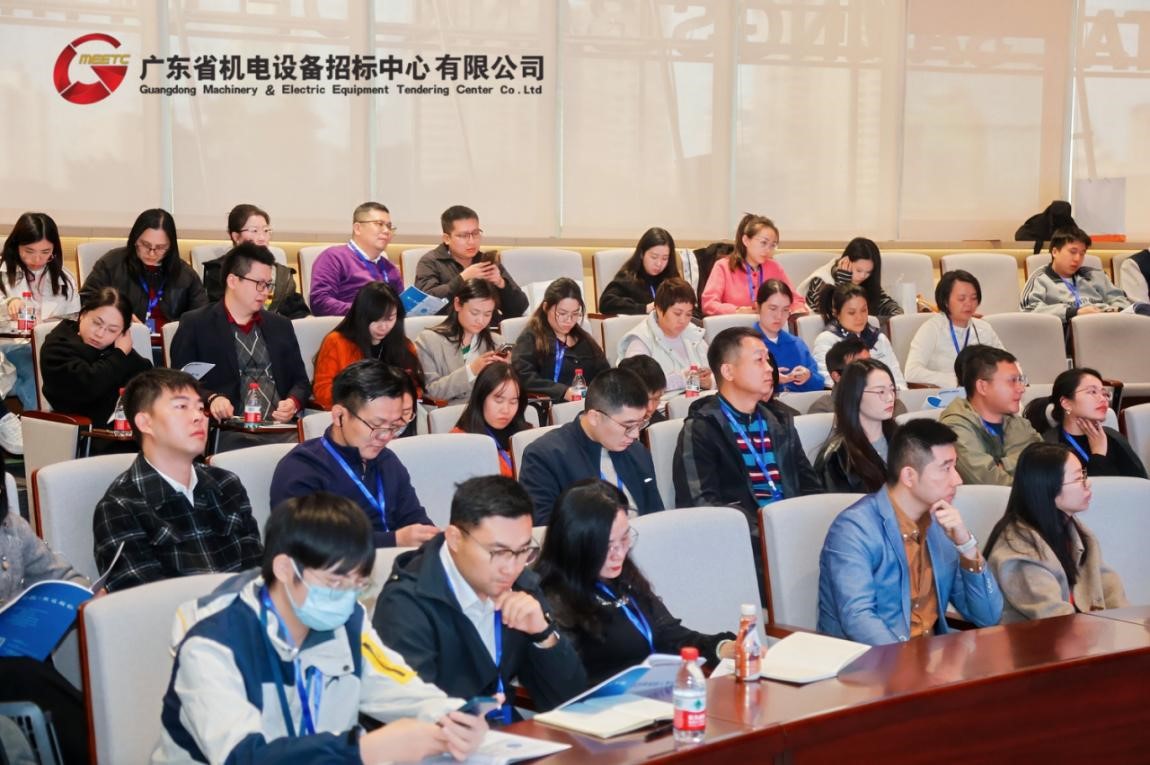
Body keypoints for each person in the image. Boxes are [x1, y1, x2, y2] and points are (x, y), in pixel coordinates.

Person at [154, 492, 487, 763]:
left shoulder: (347, 622)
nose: (346, 596)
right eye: (335, 582)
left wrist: (453, 717)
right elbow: (241, 757)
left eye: (358, 583)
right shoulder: (213, 643)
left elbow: (396, 684)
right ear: (285, 569)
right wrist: (363, 751)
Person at [372, 476, 587, 715]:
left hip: (509, 732)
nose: (511, 567)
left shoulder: (521, 585)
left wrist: (543, 634)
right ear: (455, 539)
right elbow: (409, 714)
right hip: (448, 733)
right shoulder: (405, 605)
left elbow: (570, 702)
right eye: (498, 552)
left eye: (523, 551)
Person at [817, 419, 1003, 645]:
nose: (958, 479)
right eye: (946, 468)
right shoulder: (854, 529)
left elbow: (987, 616)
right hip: (872, 660)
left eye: (955, 467)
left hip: (931, 656)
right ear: (909, 476)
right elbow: (858, 619)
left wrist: (966, 545)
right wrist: (907, 663)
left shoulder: (940, 524)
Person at [535, 480, 737, 685]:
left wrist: (722, 648)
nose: (619, 554)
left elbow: (672, 636)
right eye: (606, 546)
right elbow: (566, 682)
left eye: (624, 539)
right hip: (604, 702)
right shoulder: (552, 599)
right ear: (576, 544)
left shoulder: (624, 578)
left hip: (654, 693)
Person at [673, 327, 822, 596]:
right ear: (728, 371)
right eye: (759, 360)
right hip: (744, 551)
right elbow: (701, 508)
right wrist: (769, 536)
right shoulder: (702, 429)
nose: (769, 368)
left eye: (768, 359)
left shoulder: (779, 422)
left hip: (793, 537)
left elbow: (811, 488)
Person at [92, 368, 263, 592]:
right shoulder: (120, 507)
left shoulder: (227, 484)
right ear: (145, 423)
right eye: (181, 407)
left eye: (200, 408)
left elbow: (257, 575)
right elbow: (145, 600)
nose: (199, 417)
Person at [272, 360, 438, 548]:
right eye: (376, 425)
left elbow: (415, 520)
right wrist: (394, 540)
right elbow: (307, 544)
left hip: (399, 564)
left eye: (394, 426)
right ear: (339, 416)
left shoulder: (388, 460)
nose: (386, 436)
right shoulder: (301, 468)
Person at [0, 452, 93, 765]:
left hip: (17, 652)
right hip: (15, 670)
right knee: (26, 674)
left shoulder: (11, 528)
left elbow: (59, 573)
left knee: (32, 670)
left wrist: (85, 593)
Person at [171, 243, 310, 448]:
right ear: (233, 281)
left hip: (281, 428)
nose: (265, 292)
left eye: (268, 285)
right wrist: (212, 398)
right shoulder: (197, 324)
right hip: (230, 429)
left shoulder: (280, 325)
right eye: (259, 284)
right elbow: (179, 382)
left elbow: (301, 382)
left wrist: (293, 402)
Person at [985, 442, 1127, 622]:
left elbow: (1111, 591)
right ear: (1048, 488)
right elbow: (1055, 619)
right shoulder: (1018, 550)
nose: (1088, 483)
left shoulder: (1079, 534)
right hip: (1044, 638)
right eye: (1078, 478)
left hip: (1083, 633)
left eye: (1084, 474)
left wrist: (1128, 626)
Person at [519, 368, 664, 523]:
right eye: (628, 426)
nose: (635, 434)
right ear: (595, 417)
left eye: (640, 423)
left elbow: (657, 518)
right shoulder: (545, 457)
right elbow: (544, 530)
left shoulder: (637, 452)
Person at [40, 287, 152, 441]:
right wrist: (119, 355)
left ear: (122, 334)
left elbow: (147, 376)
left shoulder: (114, 349)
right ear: (83, 315)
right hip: (85, 435)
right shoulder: (57, 346)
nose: (100, 334)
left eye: (112, 330)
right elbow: (88, 386)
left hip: (125, 433)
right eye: (96, 323)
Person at [0, 212, 81, 410]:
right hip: (11, 346)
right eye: (29, 251)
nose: (37, 259)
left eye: (46, 252)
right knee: (35, 372)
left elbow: (74, 320)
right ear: (16, 246)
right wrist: (8, 304)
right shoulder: (2, 274)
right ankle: (40, 422)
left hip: (51, 348)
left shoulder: (65, 279)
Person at [81, 208, 207, 332]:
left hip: (171, 342)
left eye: (160, 247)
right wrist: (116, 314)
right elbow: (86, 301)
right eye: (146, 245)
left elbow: (202, 317)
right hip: (122, 337)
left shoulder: (185, 274)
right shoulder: (112, 263)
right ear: (135, 239)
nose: (151, 253)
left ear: (171, 246)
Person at [312, 281, 424, 411]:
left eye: (390, 319)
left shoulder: (403, 344)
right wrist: (362, 400)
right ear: (361, 317)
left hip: (397, 413)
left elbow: (415, 386)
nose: (383, 327)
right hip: (355, 413)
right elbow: (322, 391)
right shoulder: (336, 342)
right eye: (376, 320)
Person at [939, 345, 1041, 486]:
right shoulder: (954, 428)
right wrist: (1026, 464)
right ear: (983, 387)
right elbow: (990, 483)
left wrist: (1002, 465)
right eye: (1012, 381)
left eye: (1021, 380)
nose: (1021, 388)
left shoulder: (1016, 422)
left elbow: (1048, 465)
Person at [1023, 368, 1147, 479]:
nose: (1103, 399)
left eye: (1104, 393)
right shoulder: (1049, 448)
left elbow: (1142, 486)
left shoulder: (1113, 437)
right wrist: (1098, 455)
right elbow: (1083, 493)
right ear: (1066, 403)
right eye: (1092, 392)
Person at [414, 205, 528, 323]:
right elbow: (424, 305)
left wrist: (501, 283)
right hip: (448, 329)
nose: (471, 241)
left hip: (488, 328)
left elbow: (519, 309)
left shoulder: (485, 261)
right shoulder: (430, 262)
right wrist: (462, 279)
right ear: (447, 238)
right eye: (463, 236)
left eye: (475, 233)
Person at [201, 203, 310, 319]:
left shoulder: (282, 275)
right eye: (254, 231)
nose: (262, 238)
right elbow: (219, 314)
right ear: (236, 236)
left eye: (266, 231)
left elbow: (299, 315)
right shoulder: (219, 270)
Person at [511, 277, 609, 403]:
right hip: (553, 406)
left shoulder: (584, 339)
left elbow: (605, 374)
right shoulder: (531, 337)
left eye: (575, 314)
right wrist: (562, 391)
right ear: (546, 307)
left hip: (589, 405)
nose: (569, 320)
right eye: (562, 313)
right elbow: (523, 376)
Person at [1020, 226, 1148, 319]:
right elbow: (1028, 310)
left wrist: (1113, 310)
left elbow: (1120, 300)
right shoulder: (1040, 278)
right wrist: (1074, 312)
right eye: (1073, 252)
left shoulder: (1096, 275)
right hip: (1065, 334)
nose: (1077, 258)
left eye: (1082, 253)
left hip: (1105, 327)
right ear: (1054, 252)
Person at [905, 270, 1005, 388]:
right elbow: (911, 372)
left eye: (973, 298)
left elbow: (1006, 364)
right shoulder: (931, 329)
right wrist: (953, 380)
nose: (969, 304)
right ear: (946, 301)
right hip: (944, 395)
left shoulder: (984, 328)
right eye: (962, 299)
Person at [415, 279, 509, 404]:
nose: (480, 320)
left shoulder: (496, 341)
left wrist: (508, 372)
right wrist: (471, 371)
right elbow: (430, 391)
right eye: (474, 313)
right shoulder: (429, 340)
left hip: (488, 410)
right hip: (449, 411)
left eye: (487, 314)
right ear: (457, 304)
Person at [815, 359, 899, 493]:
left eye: (892, 389)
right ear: (855, 394)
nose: (890, 398)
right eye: (880, 392)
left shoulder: (903, 439)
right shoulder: (837, 458)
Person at [618, 278, 712, 393]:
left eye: (688, 314)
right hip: (664, 403)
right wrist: (682, 379)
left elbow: (716, 371)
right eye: (677, 313)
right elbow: (635, 383)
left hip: (701, 400)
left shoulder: (693, 333)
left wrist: (710, 382)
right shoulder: (641, 340)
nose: (683, 320)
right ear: (659, 309)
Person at [309, 202, 403, 316]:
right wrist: (366, 311)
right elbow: (320, 302)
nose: (386, 231)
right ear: (358, 228)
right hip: (349, 323)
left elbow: (401, 306)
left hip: (388, 324)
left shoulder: (391, 269)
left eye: (389, 226)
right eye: (379, 224)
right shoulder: (334, 257)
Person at [701, 214, 805, 316]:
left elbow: (796, 300)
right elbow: (708, 304)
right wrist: (737, 311)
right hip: (735, 325)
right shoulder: (723, 266)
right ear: (746, 240)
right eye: (763, 243)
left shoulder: (774, 267)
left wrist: (796, 310)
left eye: (772, 245)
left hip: (768, 324)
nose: (768, 250)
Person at [811, 283, 906, 388]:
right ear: (836, 313)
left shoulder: (879, 339)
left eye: (863, 310)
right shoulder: (826, 339)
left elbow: (898, 380)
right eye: (851, 313)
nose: (859, 317)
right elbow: (827, 380)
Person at [451, 362, 533, 478]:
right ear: (481, 398)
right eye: (499, 401)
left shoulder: (525, 435)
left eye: (513, 402)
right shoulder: (460, 442)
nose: (506, 410)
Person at [798, 237, 903, 318]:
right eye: (858, 270)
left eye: (868, 272)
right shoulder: (820, 280)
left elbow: (887, 305)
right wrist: (844, 284)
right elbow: (833, 317)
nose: (863, 276)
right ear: (846, 262)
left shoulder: (865, 281)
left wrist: (894, 316)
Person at [753, 279, 824, 393]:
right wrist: (772, 379)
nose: (779, 316)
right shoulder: (745, 345)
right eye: (773, 309)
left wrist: (808, 376)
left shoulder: (797, 344)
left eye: (785, 310)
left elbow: (819, 384)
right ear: (758, 307)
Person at [599, 227, 684, 315]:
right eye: (654, 257)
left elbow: (689, 306)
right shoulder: (628, 279)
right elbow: (606, 303)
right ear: (641, 254)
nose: (659, 263)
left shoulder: (672, 279)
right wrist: (644, 308)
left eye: (664, 258)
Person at [617, 355, 669, 425]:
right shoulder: (608, 427)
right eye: (643, 400)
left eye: (656, 399)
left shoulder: (661, 425)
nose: (650, 408)